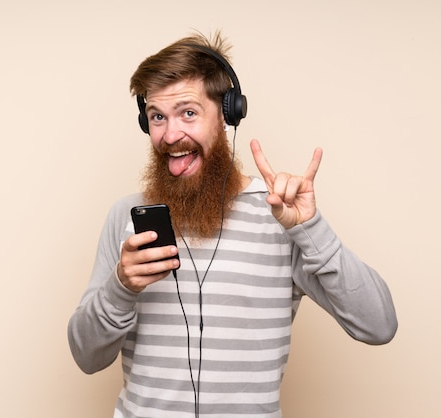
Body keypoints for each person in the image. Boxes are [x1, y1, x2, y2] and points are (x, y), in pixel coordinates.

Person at [68, 31, 397, 418]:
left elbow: (379, 326)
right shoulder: (125, 218)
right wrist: (120, 288)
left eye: (188, 113)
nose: (171, 135)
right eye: (158, 117)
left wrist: (310, 229)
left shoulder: (281, 216)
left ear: (227, 114)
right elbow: (86, 357)